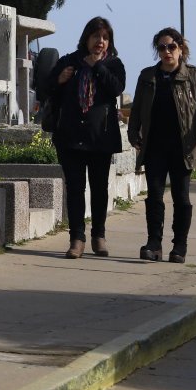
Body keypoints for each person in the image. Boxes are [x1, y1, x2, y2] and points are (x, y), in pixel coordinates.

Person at [128, 27, 196, 263]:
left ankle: (179, 246)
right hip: (154, 146)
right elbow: (136, 109)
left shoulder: (192, 75)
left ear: (181, 49)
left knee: (181, 198)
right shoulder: (147, 76)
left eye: (171, 47)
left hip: (182, 148)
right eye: (162, 48)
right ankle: (154, 243)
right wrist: (133, 133)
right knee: (154, 195)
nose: (167, 52)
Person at [46, 17, 126, 258]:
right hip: (70, 137)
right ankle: (76, 238)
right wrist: (59, 81)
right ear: (86, 38)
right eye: (95, 37)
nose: (100, 42)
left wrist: (97, 67)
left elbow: (116, 89)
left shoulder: (113, 64)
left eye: (104, 38)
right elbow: (47, 88)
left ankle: (98, 236)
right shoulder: (69, 62)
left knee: (100, 189)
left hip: (101, 138)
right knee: (75, 188)